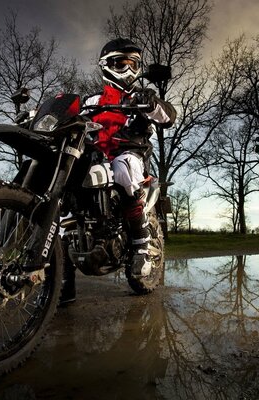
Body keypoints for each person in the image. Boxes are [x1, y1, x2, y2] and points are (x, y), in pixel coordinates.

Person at [59, 38, 177, 305]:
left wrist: (153, 102)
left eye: (132, 63)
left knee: (123, 166)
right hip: (94, 158)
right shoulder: (91, 100)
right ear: (105, 65)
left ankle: (140, 245)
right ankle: (62, 283)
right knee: (65, 197)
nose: (126, 69)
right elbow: (69, 118)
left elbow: (168, 117)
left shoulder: (140, 97)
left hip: (129, 155)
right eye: (119, 63)